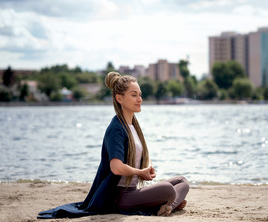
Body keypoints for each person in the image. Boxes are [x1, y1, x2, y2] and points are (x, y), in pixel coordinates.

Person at [38, 71, 189, 219]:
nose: (139, 99)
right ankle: (169, 205)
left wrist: (147, 168)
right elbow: (116, 168)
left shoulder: (133, 126)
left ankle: (167, 207)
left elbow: (136, 156)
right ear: (119, 98)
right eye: (134, 95)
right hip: (120, 196)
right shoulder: (116, 128)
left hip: (132, 191)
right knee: (169, 190)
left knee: (182, 182)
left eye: (140, 94)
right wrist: (139, 172)